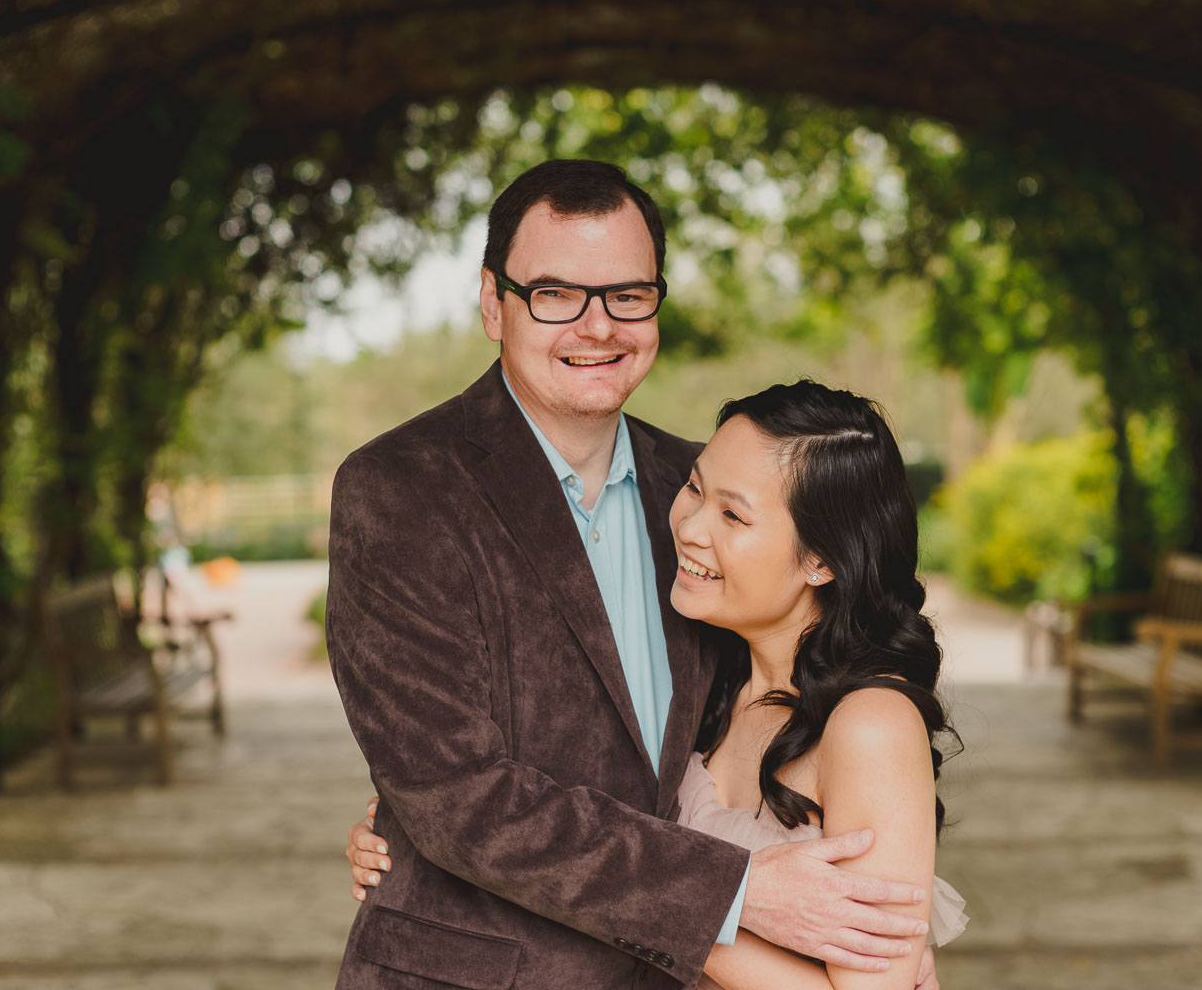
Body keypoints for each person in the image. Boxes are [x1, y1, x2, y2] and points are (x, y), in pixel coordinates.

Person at [328, 159, 941, 990]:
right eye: (554, 293)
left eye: (627, 294)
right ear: (491, 302)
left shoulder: (699, 489)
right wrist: (412, 810)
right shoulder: (399, 489)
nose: (597, 326)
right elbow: (457, 793)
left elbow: (780, 710)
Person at [348, 380, 970, 988]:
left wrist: (677, 908)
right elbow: (573, 795)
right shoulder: (713, 679)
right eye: (694, 488)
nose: (691, 527)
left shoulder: (870, 726)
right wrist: (422, 820)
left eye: (733, 514)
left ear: (821, 560)